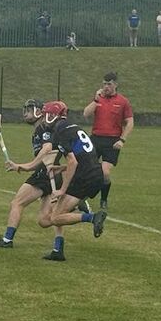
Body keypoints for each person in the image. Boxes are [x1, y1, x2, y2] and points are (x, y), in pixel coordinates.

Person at [0, 99, 70, 250]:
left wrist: (25, 166)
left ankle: (7, 240)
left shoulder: (43, 128)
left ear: (39, 112)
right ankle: (60, 246)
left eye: (29, 110)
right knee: (47, 219)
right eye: (25, 110)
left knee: (17, 203)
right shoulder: (43, 129)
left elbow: (46, 150)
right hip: (53, 174)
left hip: (44, 174)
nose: (25, 113)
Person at [32, 101, 108, 261]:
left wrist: (62, 190)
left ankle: (92, 217)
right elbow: (82, 157)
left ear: (55, 116)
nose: (45, 119)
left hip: (83, 177)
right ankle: (57, 251)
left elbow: (74, 161)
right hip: (95, 174)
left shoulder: (60, 131)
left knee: (54, 218)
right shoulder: (73, 127)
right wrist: (63, 168)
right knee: (51, 216)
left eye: (48, 115)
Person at [82, 72, 134, 212]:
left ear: (115, 85)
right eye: (104, 84)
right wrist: (95, 100)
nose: (106, 87)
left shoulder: (123, 101)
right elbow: (86, 114)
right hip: (95, 138)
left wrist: (122, 140)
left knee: (104, 173)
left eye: (109, 84)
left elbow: (130, 122)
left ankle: (103, 199)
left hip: (112, 141)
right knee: (86, 169)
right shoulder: (98, 99)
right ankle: (81, 198)